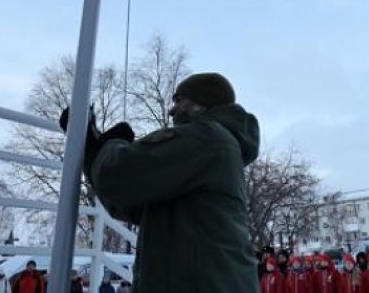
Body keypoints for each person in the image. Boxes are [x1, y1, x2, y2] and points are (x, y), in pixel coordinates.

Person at [62, 73, 260, 292]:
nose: (172, 110)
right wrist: (95, 145)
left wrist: (106, 143)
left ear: (200, 103)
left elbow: (119, 175)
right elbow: (130, 200)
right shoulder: (216, 146)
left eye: (179, 100)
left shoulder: (208, 138)